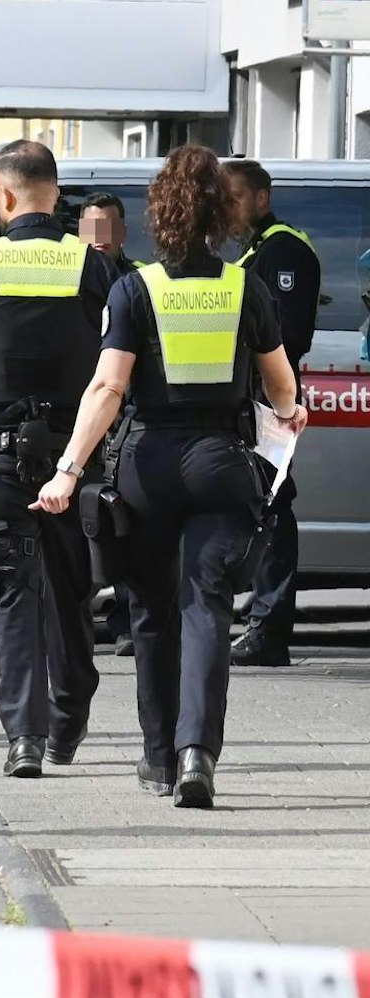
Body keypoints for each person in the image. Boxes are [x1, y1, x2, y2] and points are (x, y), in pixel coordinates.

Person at [34, 145, 308, 808]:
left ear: (162, 216)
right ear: (220, 212)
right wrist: (289, 413)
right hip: (220, 463)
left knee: (152, 609)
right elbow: (279, 386)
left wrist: (69, 468)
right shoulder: (247, 287)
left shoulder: (135, 289)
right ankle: (197, 753)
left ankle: (158, 757)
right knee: (206, 605)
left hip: (147, 465)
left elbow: (106, 387)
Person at [0, 141, 120, 780]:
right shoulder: (95, 268)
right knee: (72, 591)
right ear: (55, 195)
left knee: (12, 596)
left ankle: (24, 741)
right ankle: (67, 722)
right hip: (75, 457)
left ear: (3, 197)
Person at [224, 160, 321, 668]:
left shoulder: (283, 249)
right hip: (253, 397)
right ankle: (260, 613)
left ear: (262, 198)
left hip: (272, 398)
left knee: (273, 505)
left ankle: (269, 628)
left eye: (235, 197)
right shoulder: (255, 251)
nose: (227, 209)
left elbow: (285, 337)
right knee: (257, 503)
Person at [79, 192, 141, 657]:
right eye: (91, 227)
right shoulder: (70, 278)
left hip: (125, 418)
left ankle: (125, 620)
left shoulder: (137, 281)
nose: (99, 238)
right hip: (78, 415)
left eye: (108, 228)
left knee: (123, 523)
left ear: (121, 232)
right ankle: (77, 619)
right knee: (79, 524)